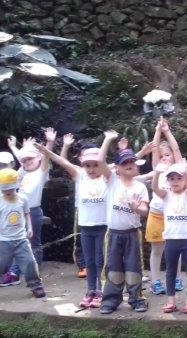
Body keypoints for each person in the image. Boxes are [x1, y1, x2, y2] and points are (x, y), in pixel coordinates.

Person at [35, 131, 118, 309]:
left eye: (95, 165)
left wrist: (107, 139)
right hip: (86, 227)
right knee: (89, 261)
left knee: (101, 260)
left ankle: (101, 291)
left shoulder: (107, 177)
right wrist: (46, 151)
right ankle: (90, 291)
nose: (91, 169)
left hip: (102, 227)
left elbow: (108, 162)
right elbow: (63, 162)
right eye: (87, 165)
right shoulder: (80, 176)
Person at [0, 168, 45, 301]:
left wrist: (29, 227)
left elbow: (26, 213)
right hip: (4, 240)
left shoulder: (22, 198)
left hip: (21, 238)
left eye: (10, 188)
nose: (7, 191)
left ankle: (36, 285)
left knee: (30, 262)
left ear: (16, 185)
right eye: (4, 189)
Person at [0, 129, 56, 287]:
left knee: (34, 243)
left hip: (34, 212)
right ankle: (14, 273)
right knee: (18, 241)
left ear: (38, 157)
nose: (26, 162)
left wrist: (49, 142)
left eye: (30, 158)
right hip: (18, 211)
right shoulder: (22, 172)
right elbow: (23, 158)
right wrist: (15, 147)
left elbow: (45, 156)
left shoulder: (42, 172)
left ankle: (34, 272)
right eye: (24, 160)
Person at [98, 146, 150, 314]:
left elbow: (145, 210)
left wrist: (136, 208)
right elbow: (100, 161)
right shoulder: (112, 181)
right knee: (112, 267)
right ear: (117, 168)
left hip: (132, 233)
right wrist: (108, 140)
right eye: (124, 162)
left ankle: (137, 299)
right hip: (113, 233)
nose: (129, 164)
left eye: (132, 161)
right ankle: (111, 300)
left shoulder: (140, 187)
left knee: (134, 267)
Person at [151, 160, 187, 314]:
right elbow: (155, 188)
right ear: (168, 181)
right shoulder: (166, 195)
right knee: (170, 270)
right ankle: (170, 301)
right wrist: (157, 173)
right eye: (172, 178)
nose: (175, 181)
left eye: (179, 178)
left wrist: (186, 173)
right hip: (171, 239)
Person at [144, 117, 184, 295]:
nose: (164, 158)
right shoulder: (157, 168)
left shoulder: (178, 169)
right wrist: (157, 130)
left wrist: (167, 130)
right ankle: (156, 281)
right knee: (157, 250)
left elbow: (176, 148)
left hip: (173, 215)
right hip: (156, 214)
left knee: (175, 249)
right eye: (161, 156)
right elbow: (154, 147)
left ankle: (176, 278)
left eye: (167, 155)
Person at [59, 133, 86, 279]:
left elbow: (119, 166)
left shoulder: (101, 170)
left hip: (99, 210)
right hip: (81, 209)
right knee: (80, 237)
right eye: (84, 155)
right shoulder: (78, 171)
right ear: (80, 158)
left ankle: (98, 263)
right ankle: (82, 265)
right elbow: (63, 162)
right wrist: (66, 145)